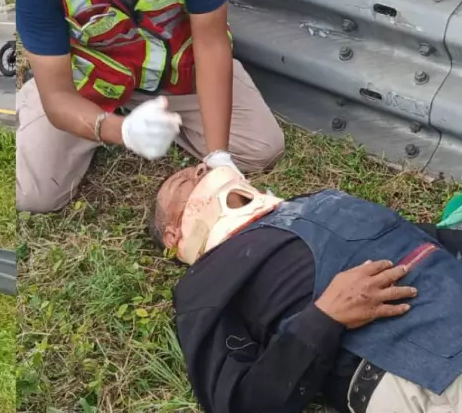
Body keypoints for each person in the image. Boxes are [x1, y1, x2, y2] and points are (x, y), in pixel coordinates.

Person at [14, 0, 285, 214]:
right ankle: (51, 104)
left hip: (178, 73)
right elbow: (58, 96)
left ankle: (160, 120)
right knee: (35, 195)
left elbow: (211, 40)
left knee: (261, 148)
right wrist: (121, 131)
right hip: (89, 84)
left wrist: (218, 157)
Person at [153, 164, 462, 413]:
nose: (200, 168)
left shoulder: (314, 202)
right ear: (173, 235)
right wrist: (324, 318)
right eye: (183, 181)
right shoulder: (203, 282)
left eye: (198, 167)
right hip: (423, 371)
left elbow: (426, 238)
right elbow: (238, 401)